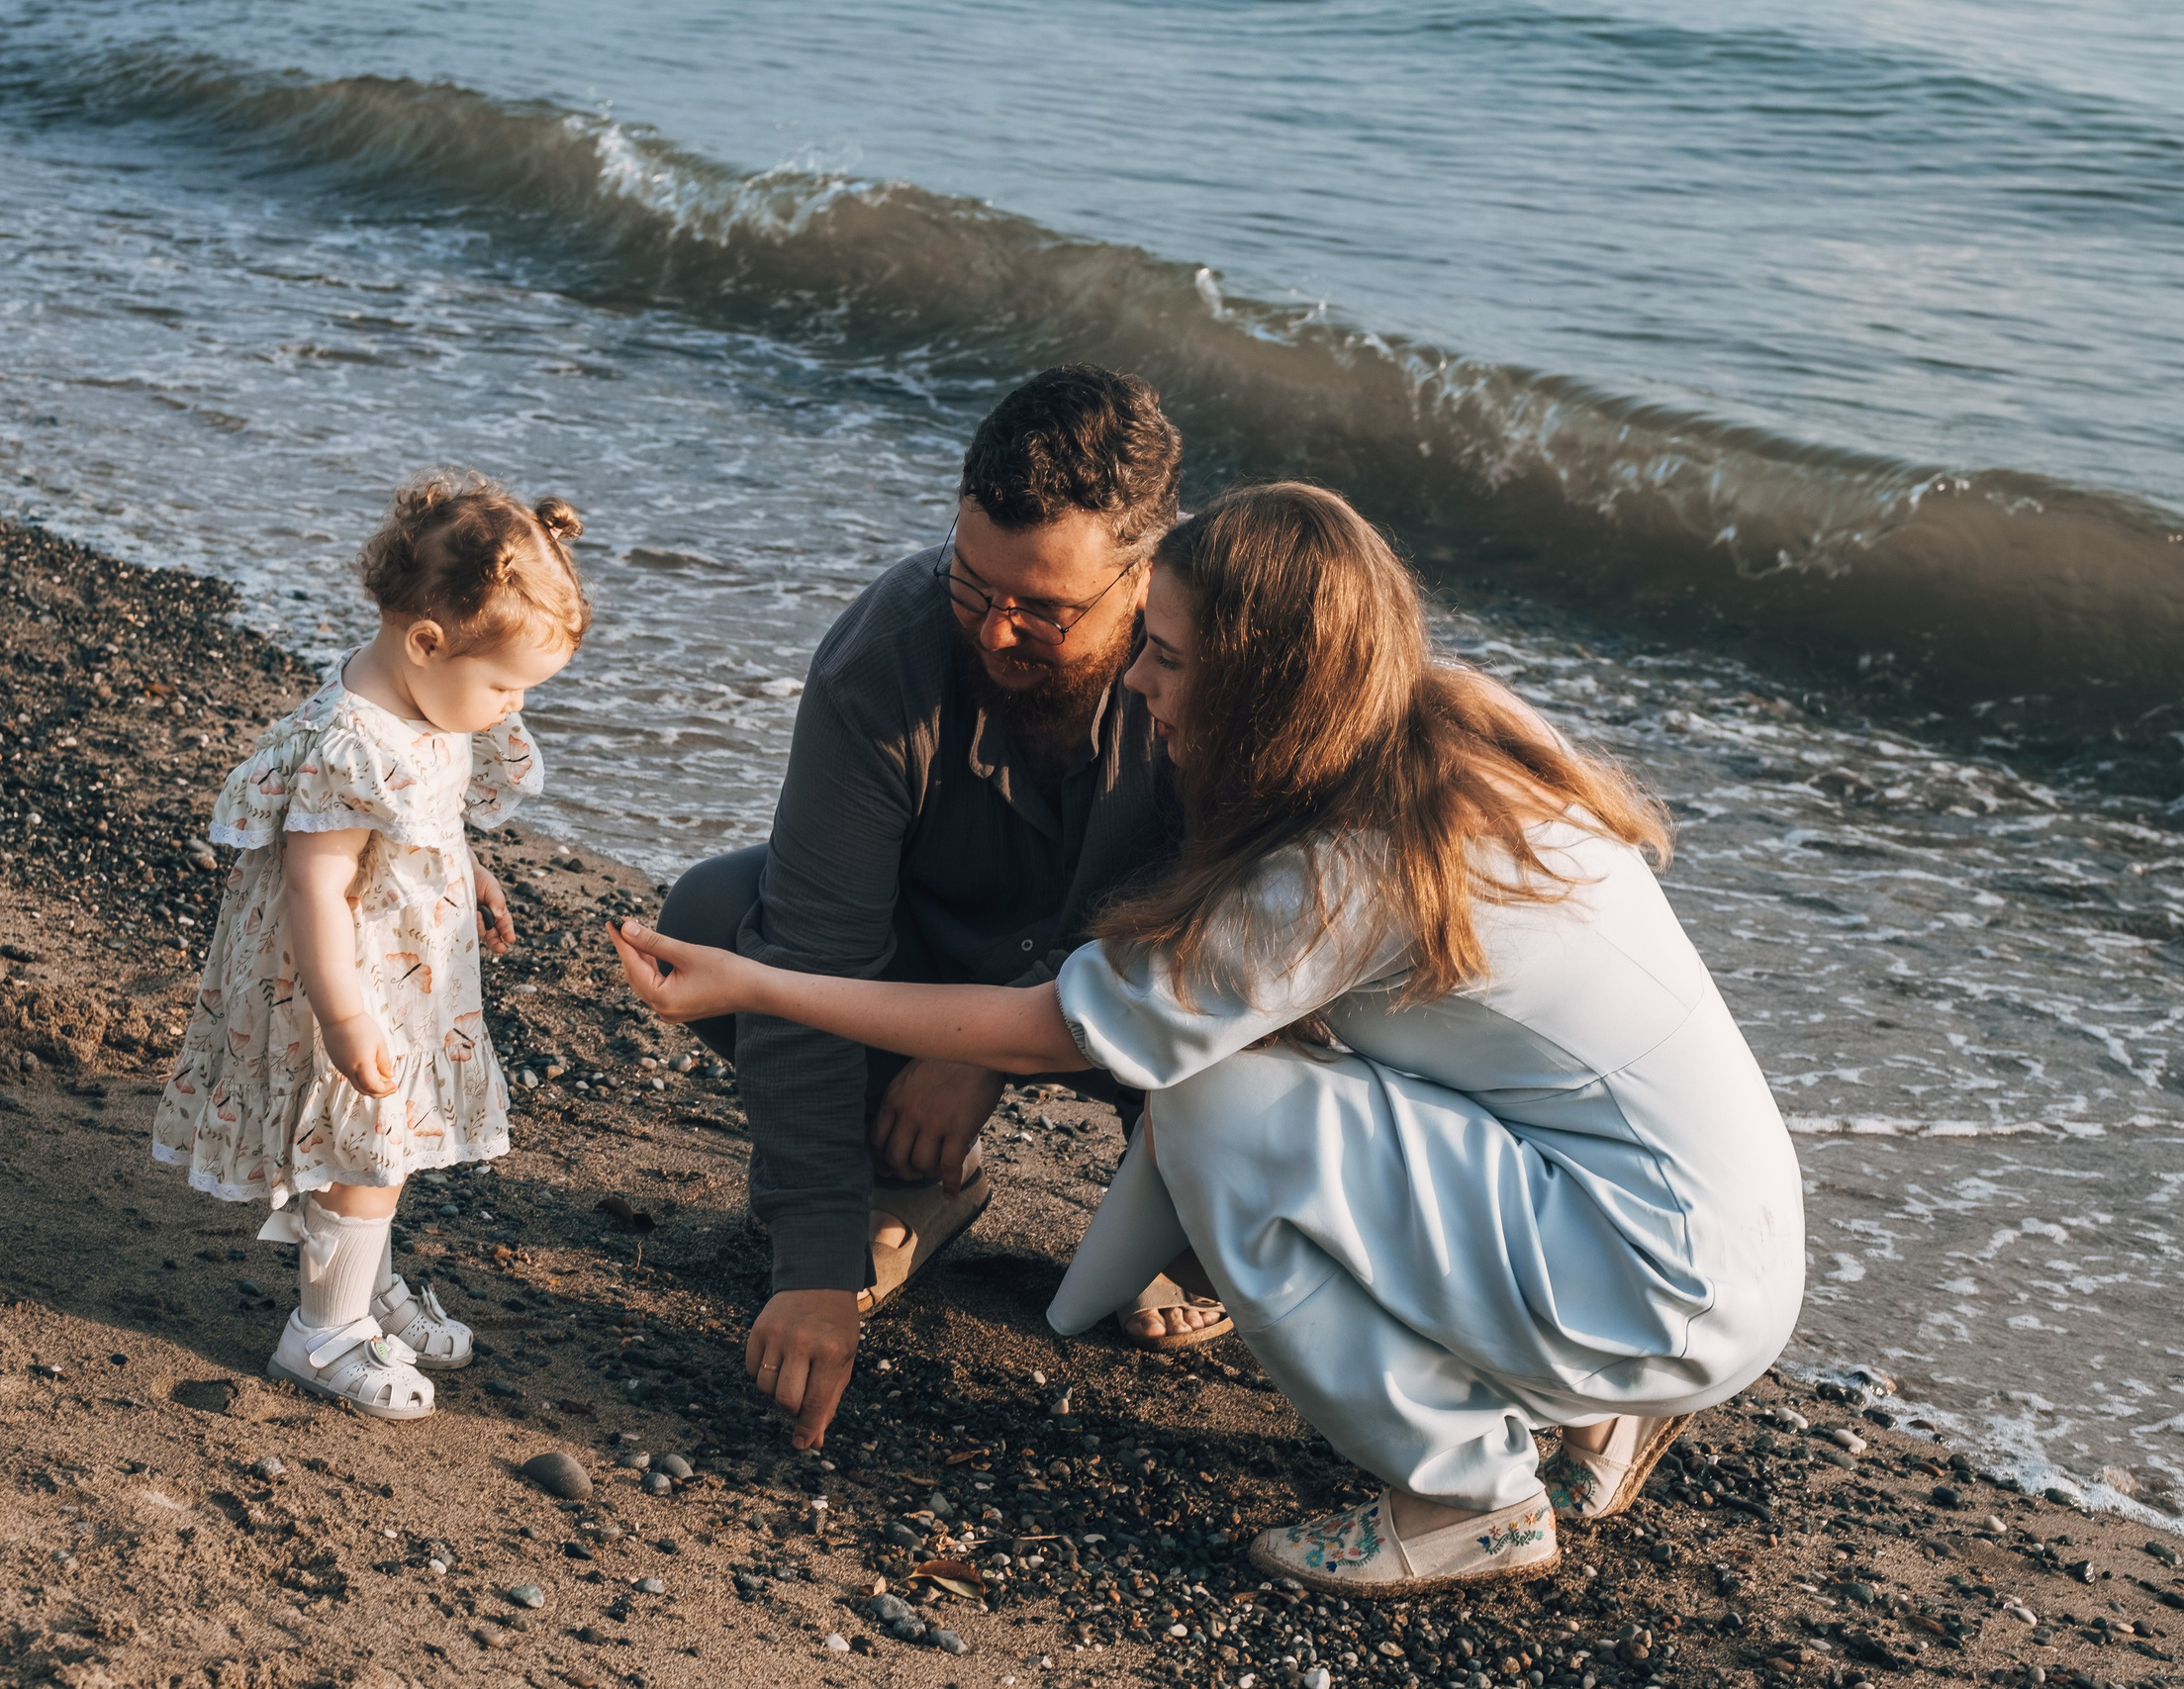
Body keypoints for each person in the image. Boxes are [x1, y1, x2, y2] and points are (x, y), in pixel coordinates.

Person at [608, 482, 1804, 1594]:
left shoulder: (1349, 866)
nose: (1138, 684)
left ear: (1265, 686)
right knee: (1273, 1071)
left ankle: (1468, 1495)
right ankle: (1588, 1399)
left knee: (1217, 1101)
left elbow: (1050, 1029)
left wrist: (756, 982)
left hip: (1649, 1270)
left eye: (1167, 659)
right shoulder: (1448, 736)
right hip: (1701, 1230)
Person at [657, 365, 1226, 1454]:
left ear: (1145, 574)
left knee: (1252, 1024)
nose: (996, 632)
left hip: (1141, 984)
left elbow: (1248, 937)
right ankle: (921, 1186)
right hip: (931, 949)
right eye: (974, 584)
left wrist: (997, 1042)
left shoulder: (1216, 669)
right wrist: (814, 1265)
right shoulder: (888, 653)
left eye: (1046, 610)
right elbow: (810, 945)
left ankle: (1180, 1217)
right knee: (719, 915)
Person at [153, 471, 589, 1422]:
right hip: (335, 974)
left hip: (400, 958)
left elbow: (427, 811)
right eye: (506, 684)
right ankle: (324, 1331)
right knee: (366, 1146)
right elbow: (315, 885)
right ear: (427, 642)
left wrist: (465, 866)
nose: (512, 706)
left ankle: (363, 1288)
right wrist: (345, 1014)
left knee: (379, 1148)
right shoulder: (353, 740)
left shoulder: (426, 698)